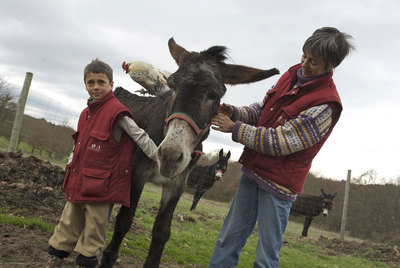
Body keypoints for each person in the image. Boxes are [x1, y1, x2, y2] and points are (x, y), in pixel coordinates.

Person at [209, 27, 354, 268]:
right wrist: (235, 112)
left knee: (266, 256)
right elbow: (262, 111)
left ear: (330, 66)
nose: (305, 64)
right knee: (228, 239)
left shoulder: (326, 104)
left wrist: (235, 128)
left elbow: (281, 142)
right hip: (253, 172)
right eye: (304, 55)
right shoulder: (290, 76)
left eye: (313, 62)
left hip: (278, 186)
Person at [47, 59, 158, 268]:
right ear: (85, 85)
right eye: (91, 83)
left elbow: (140, 136)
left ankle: (85, 263)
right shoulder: (85, 113)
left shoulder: (117, 112)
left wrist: (160, 158)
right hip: (79, 179)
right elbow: (78, 143)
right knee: (67, 222)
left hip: (101, 186)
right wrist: (70, 165)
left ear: (111, 84)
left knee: (94, 229)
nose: (96, 87)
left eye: (101, 82)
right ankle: (55, 258)